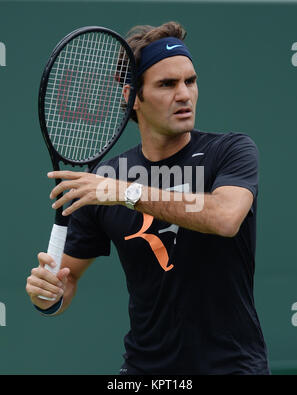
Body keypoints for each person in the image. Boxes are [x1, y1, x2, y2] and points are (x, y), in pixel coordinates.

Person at [26, 21, 270, 375]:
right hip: (144, 372)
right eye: (167, 84)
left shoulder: (231, 151)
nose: (185, 94)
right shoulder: (103, 181)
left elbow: (225, 217)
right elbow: (67, 279)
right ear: (132, 98)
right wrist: (48, 294)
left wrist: (126, 192)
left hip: (232, 368)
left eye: (190, 81)